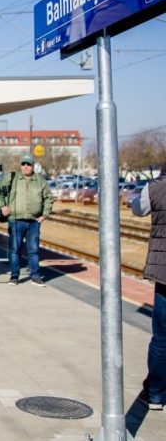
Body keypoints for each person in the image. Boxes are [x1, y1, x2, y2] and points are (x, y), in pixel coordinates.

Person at [131, 161, 166, 410]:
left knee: (162, 338)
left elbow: (137, 208)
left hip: (164, 272)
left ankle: (155, 394)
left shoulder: (155, 189)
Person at [0, 154, 53, 286]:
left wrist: (45, 214)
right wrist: (2, 206)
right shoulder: (11, 178)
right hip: (15, 220)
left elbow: (49, 198)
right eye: (23, 164)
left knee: (33, 249)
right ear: (20, 165)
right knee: (15, 249)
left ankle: (35, 277)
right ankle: (14, 276)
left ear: (33, 166)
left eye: (29, 164)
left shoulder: (40, 180)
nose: (26, 166)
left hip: (34, 222)